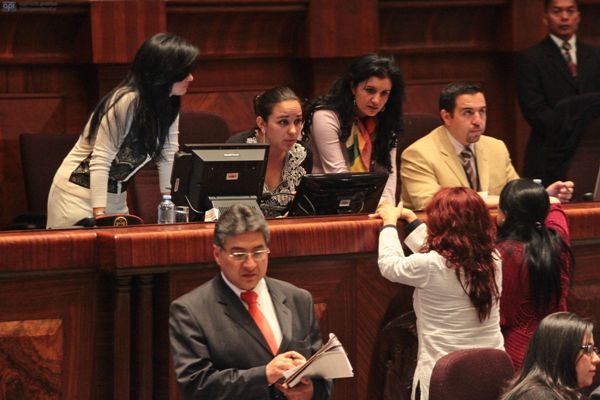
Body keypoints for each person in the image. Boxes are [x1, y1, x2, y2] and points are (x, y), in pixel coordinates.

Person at [169, 204, 331, 400]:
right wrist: (264, 375)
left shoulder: (299, 299)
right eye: (239, 255)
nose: (250, 264)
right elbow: (197, 387)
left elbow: (322, 377)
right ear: (217, 255)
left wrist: (312, 391)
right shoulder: (190, 311)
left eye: (258, 252)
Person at [46, 33, 198, 228]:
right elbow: (101, 160)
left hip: (116, 198)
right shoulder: (126, 100)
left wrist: (169, 203)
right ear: (164, 72)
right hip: (77, 197)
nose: (191, 78)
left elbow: (168, 155)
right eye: (184, 72)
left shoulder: (168, 103)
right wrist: (100, 215)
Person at [372, 187, 504, 400]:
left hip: (445, 377)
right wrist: (412, 219)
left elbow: (389, 265)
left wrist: (389, 224)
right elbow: (447, 254)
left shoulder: (430, 266)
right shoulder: (493, 260)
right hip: (491, 371)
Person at [400, 81, 574, 210]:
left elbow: (514, 193)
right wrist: (495, 200)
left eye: (482, 111)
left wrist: (542, 196)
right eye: (468, 113)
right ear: (446, 116)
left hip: (493, 237)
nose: (478, 121)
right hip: (439, 241)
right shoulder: (418, 154)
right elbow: (430, 204)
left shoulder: (496, 148)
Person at [303, 54, 404, 205]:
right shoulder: (326, 116)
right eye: (370, 90)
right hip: (324, 204)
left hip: (367, 204)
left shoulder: (386, 122)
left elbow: (388, 173)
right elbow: (339, 176)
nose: (376, 100)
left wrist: (386, 208)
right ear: (352, 87)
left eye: (384, 93)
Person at [517, 0, 600, 181]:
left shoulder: (596, 55)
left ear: (578, 16)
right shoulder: (530, 58)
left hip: (591, 150)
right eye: (557, 11)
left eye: (570, 11)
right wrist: (571, 131)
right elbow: (534, 110)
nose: (564, 17)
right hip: (549, 151)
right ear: (545, 18)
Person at [497, 179, 573, 371]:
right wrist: (543, 196)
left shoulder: (503, 254)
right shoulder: (558, 240)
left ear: (505, 214)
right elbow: (556, 210)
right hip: (561, 344)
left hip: (520, 354)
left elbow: (503, 317)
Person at [227, 86, 311, 217]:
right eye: (283, 122)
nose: (293, 131)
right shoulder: (236, 150)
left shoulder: (302, 154)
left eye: (297, 121)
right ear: (262, 124)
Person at [501, 311, 600, 400]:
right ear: (563, 352)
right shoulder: (536, 397)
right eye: (588, 349)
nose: (596, 359)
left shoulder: (564, 393)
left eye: (593, 349)